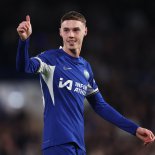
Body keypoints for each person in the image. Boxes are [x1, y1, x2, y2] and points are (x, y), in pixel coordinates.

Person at [16, 11, 155, 155]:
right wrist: (23, 41)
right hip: (57, 143)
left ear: (85, 31)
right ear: (60, 33)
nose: (71, 35)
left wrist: (134, 129)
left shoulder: (85, 68)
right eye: (66, 30)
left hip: (79, 147)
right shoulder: (50, 59)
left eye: (76, 30)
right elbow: (24, 67)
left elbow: (100, 105)